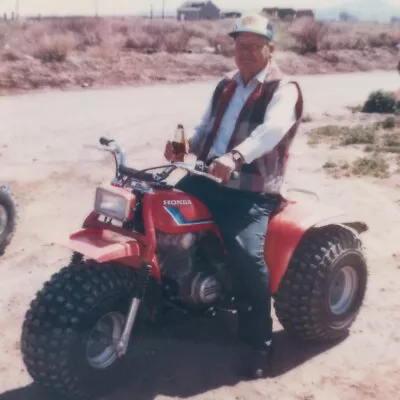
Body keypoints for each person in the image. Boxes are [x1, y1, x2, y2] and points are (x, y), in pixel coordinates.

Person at [164, 13, 304, 379]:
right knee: (156, 211)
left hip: (251, 191)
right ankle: (167, 297)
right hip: (208, 177)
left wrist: (236, 157)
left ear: (270, 49)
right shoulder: (225, 84)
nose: (245, 52)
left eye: (254, 46)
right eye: (240, 45)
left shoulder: (283, 88)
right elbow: (206, 126)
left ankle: (259, 342)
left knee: (246, 256)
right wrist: (187, 145)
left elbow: (271, 131)